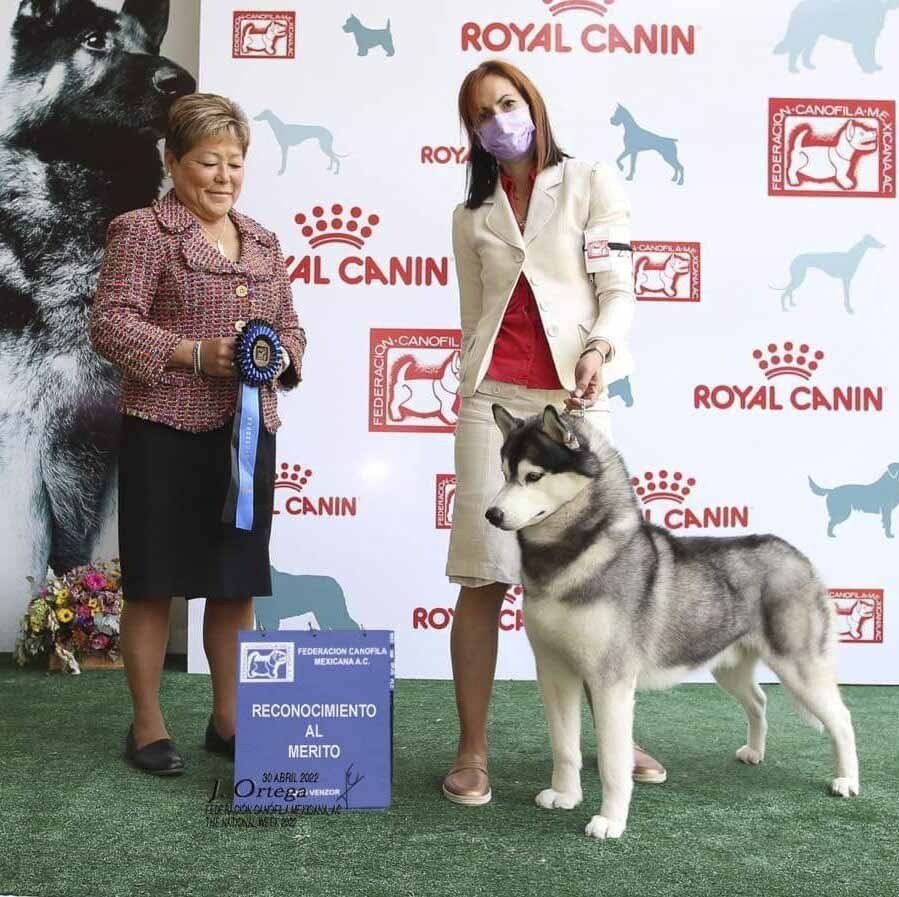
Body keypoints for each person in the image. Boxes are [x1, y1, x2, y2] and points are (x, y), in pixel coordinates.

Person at [442, 60, 666, 805]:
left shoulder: (590, 180)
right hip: (492, 402)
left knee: (594, 574)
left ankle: (614, 732)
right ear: (470, 130)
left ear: (532, 106)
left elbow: (617, 289)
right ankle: (472, 751)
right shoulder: (469, 214)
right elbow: (474, 316)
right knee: (481, 572)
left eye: (506, 103)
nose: (497, 120)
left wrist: (599, 349)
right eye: (481, 113)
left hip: (575, 394)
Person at [89, 93, 306, 776]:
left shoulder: (266, 241)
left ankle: (229, 719)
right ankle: (147, 724)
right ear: (172, 161)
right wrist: (191, 353)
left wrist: (286, 356)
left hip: (246, 436)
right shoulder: (142, 230)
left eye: (234, 162)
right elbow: (111, 323)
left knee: (233, 583)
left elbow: (290, 327)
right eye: (207, 161)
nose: (222, 176)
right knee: (153, 585)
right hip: (163, 431)